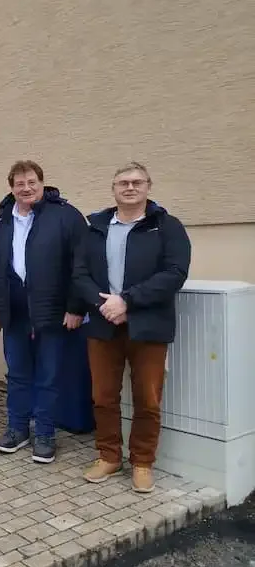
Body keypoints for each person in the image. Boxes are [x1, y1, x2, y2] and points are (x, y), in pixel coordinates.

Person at [74, 162, 190, 493]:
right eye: (123, 182)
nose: (130, 187)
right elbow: (79, 274)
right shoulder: (94, 227)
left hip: (148, 325)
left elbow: (175, 273)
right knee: (103, 397)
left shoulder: (167, 226)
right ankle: (109, 456)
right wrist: (105, 306)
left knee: (148, 398)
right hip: (102, 323)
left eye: (136, 182)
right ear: (113, 189)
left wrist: (127, 301)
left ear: (148, 187)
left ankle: (142, 462)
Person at [0, 160, 86, 463]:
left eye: (31, 183)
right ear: (11, 187)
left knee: (49, 376)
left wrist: (75, 307)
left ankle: (45, 433)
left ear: (42, 184)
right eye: (19, 184)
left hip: (52, 313)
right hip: (13, 313)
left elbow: (81, 265)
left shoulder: (66, 216)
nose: (26, 189)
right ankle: (17, 429)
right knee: (18, 375)